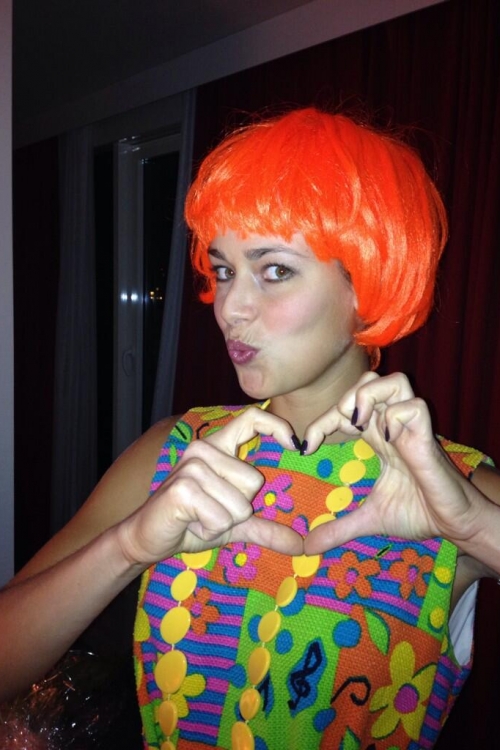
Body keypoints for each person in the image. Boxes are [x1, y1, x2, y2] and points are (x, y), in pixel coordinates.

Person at [1, 108, 500, 750]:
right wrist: (128, 547)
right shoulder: (177, 453)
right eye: (225, 269)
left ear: (367, 279)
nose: (229, 306)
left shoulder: (452, 485)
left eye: (275, 270)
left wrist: (472, 527)